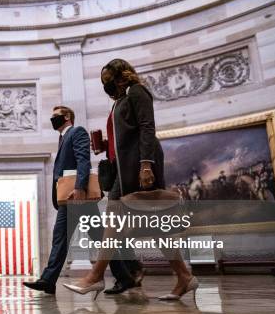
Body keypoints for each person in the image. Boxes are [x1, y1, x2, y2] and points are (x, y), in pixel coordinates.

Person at [62, 59, 198, 301]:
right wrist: (105, 145)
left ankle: (95, 277)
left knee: (120, 222)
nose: (106, 85)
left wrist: (147, 165)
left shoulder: (137, 92)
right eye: (102, 81)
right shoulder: (119, 101)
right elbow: (125, 136)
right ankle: (184, 277)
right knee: (151, 228)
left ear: (121, 75)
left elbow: (147, 127)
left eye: (108, 79)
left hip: (139, 168)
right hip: (122, 171)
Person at [23, 105, 91, 295]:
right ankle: (48, 280)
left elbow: (83, 159)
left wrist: (79, 187)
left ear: (67, 116)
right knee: (63, 236)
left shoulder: (77, 132)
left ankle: (129, 272)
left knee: (95, 236)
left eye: (56, 116)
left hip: (76, 194)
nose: (53, 119)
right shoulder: (62, 138)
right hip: (67, 197)